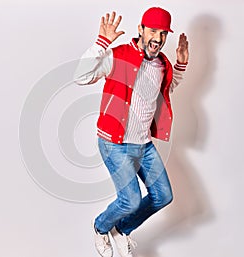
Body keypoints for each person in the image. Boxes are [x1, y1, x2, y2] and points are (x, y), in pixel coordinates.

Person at [74, 6, 189, 257]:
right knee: (131, 200)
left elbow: (166, 88)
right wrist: (101, 42)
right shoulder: (119, 56)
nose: (157, 39)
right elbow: (81, 76)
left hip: (143, 145)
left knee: (163, 196)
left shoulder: (161, 64)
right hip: (113, 143)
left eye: (163, 33)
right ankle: (101, 227)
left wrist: (180, 63)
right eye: (152, 31)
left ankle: (122, 229)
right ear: (141, 30)